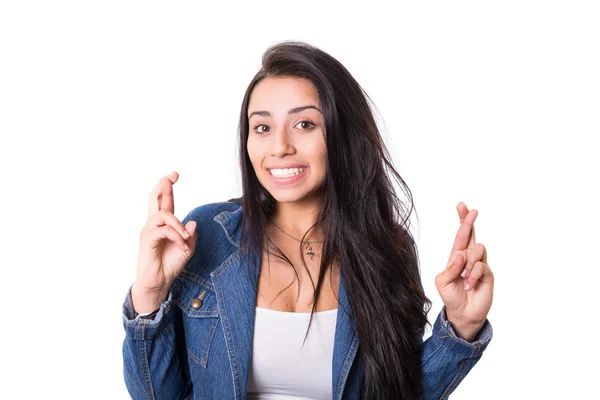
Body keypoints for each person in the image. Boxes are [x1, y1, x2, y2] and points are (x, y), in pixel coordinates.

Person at [122, 41, 494, 400]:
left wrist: (462, 326)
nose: (280, 146)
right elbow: (156, 395)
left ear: (342, 134)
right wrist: (150, 297)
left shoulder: (385, 250)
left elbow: (401, 390)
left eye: (304, 125)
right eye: (263, 128)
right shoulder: (207, 235)